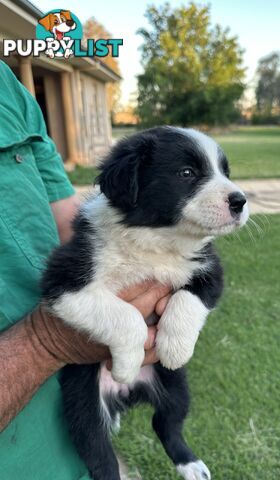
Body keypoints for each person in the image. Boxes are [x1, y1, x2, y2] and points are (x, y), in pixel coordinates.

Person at [0, 60, 171, 479]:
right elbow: (56, 333)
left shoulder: (6, 84)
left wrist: (153, 257)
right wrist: (45, 343)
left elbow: (72, 223)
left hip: (74, 443)